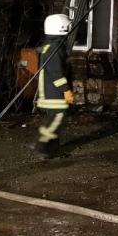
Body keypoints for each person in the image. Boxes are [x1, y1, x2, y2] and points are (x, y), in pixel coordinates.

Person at [35, 14, 74, 158]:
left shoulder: (50, 45)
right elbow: (56, 73)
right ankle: (42, 147)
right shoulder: (54, 48)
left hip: (49, 90)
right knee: (57, 118)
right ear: (62, 28)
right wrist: (66, 90)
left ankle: (52, 148)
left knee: (56, 118)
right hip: (53, 92)